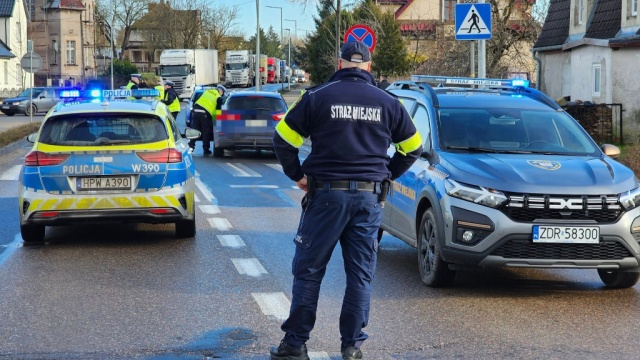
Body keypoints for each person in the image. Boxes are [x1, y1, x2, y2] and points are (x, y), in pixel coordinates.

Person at [269, 40, 423, 360]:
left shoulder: (316, 98)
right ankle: (351, 347)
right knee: (360, 274)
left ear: (339, 64)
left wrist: (298, 175)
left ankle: (295, 345)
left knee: (309, 271)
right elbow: (413, 148)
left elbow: (283, 140)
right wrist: (385, 176)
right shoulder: (389, 102)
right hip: (368, 200)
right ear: (368, 66)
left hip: (324, 195)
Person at [188, 88, 220, 154]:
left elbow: (197, 98)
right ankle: (206, 149)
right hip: (204, 113)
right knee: (206, 131)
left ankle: (191, 146)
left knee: (195, 130)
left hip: (196, 110)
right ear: (220, 92)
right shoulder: (218, 97)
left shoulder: (206, 92)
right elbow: (218, 110)